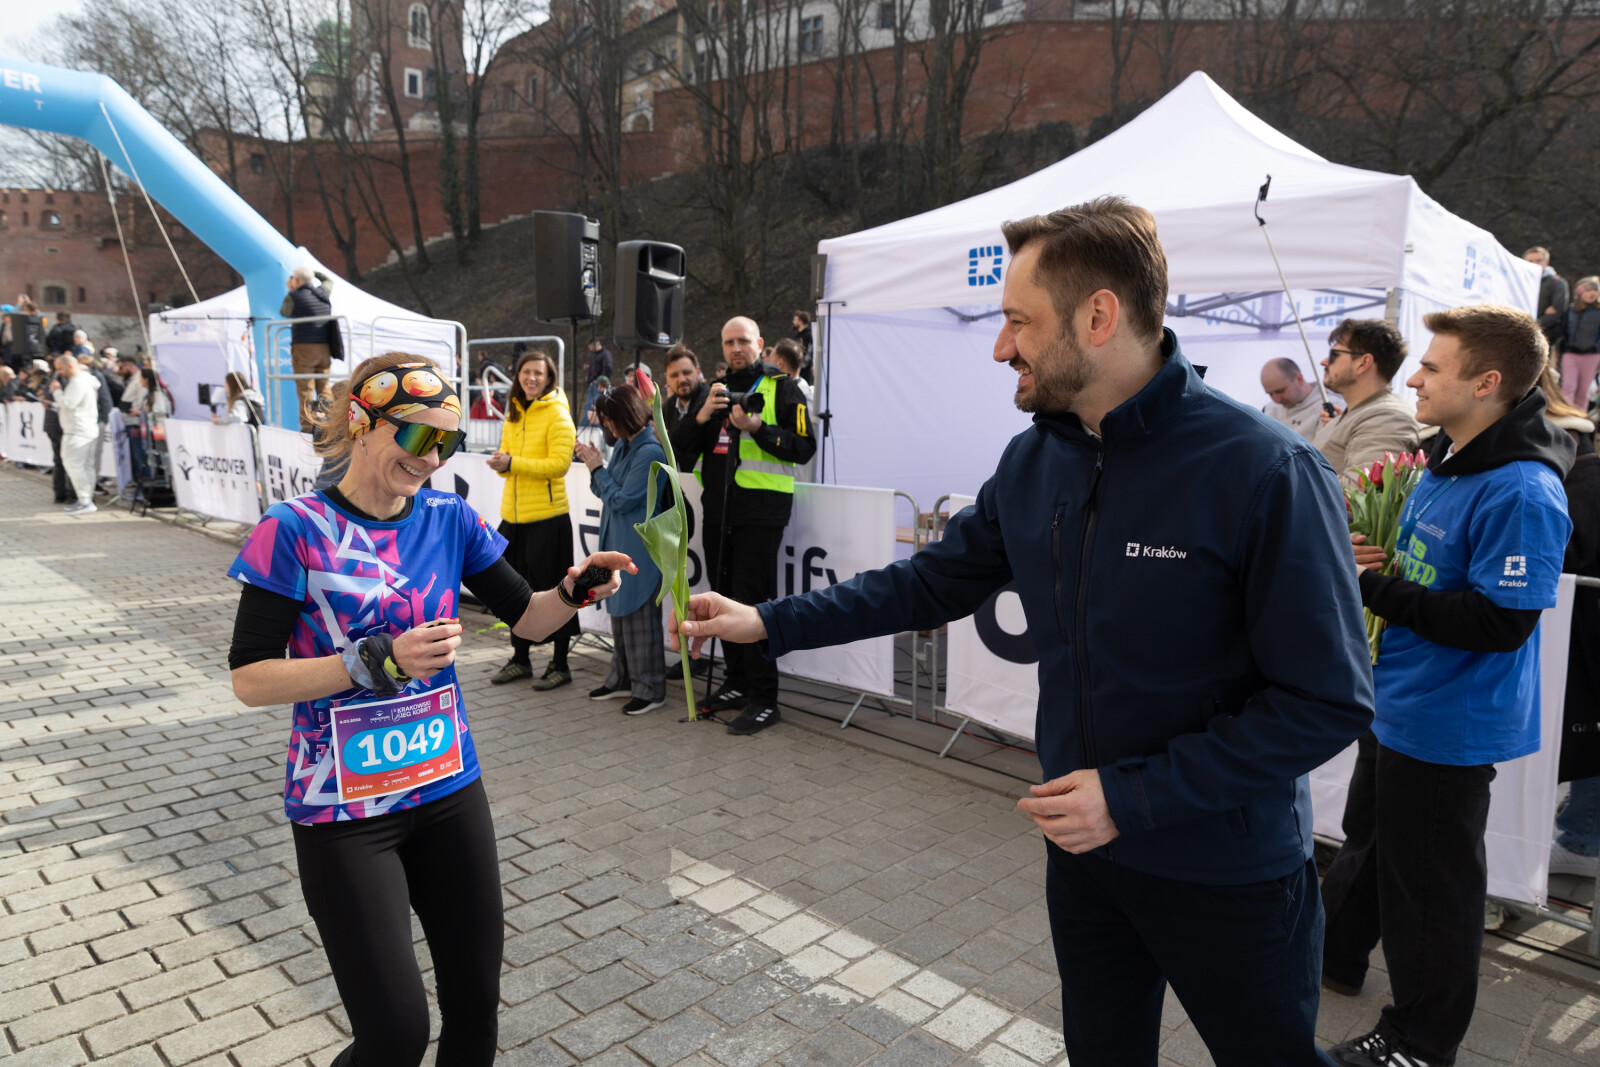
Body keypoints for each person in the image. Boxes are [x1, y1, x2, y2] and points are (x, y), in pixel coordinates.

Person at [673, 198, 1374, 1063]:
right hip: (1085, 857)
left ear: (1099, 316)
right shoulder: (1038, 457)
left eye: (1018, 320)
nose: (1001, 346)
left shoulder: (1266, 469)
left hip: (1227, 872)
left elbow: (1325, 700)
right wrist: (767, 620)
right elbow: (928, 582)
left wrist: (1131, 798)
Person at [226, 351, 631, 1067]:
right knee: (395, 1036)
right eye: (417, 436)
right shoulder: (293, 528)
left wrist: (573, 591)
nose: (432, 457)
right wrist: (371, 660)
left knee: (475, 1007)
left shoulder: (448, 518)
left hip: (447, 790)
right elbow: (250, 678)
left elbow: (529, 618)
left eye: (447, 441)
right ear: (362, 421)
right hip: (344, 812)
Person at [1322, 305, 1573, 1067]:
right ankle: (1332, 955)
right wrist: (1376, 558)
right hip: (1400, 700)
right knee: (1372, 847)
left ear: (1486, 382)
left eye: (1432, 367)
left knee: (1430, 896)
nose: (1416, 380)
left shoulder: (1522, 489)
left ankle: (1419, 1043)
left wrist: (1375, 589)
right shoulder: (1445, 454)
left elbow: (1501, 621)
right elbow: (1429, 572)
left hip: (1448, 724)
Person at [671, 316, 817, 735]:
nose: (736, 348)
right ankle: (736, 681)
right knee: (721, 600)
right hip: (719, 512)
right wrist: (701, 418)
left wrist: (758, 428)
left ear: (760, 343)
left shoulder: (782, 387)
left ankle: (765, 698)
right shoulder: (712, 392)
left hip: (762, 513)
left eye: (743, 341)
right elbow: (679, 451)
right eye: (728, 342)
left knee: (752, 604)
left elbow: (804, 447)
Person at [485, 350, 580, 690]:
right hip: (513, 518)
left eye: (539, 373)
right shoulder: (513, 412)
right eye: (526, 372)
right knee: (515, 593)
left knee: (559, 592)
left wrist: (512, 463)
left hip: (548, 519)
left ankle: (560, 664)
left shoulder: (557, 413)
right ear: (518, 376)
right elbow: (509, 464)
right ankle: (520, 659)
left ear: (549, 378)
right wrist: (502, 463)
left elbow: (559, 465)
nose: (532, 378)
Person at [1538, 369, 1600, 880]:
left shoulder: (1576, 455)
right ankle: (1583, 832)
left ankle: (1584, 838)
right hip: (1570, 619)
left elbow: (1570, 548)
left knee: (1585, 728)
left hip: (1579, 621)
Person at [576, 383, 669, 715]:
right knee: (621, 612)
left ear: (624, 416)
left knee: (639, 615)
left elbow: (622, 499)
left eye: (608, 420)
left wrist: (597, 469)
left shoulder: (649, 452)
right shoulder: (628, 446)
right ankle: (624, 679)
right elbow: (607, 489)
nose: (606, 426)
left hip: (639, 548)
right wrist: (597, 467)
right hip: (621, 542)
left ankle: (650, 689)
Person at [1312, 319, 1421, 487]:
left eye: (1335, 355)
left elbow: (1361, 492)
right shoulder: (1361, 414)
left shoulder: (1387, 418)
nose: (1324, 362)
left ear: (1363, 363)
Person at [282, 266, 335, 432]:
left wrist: (292, 290)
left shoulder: (294, 296)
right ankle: (329, 425)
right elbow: (328, 280)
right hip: (325, 347)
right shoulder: (323, 292)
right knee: (324, 387)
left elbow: (285, 312)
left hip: (303, 347)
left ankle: (307, 428)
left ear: (296, 281)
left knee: (305, 389)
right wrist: (313, 274)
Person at [51, 353, 100, 516]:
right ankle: (86, 499)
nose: (59, 373)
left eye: (60, 369)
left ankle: (85, 500)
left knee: (75, 465)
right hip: (84, 428)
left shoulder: (78, 382)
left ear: (70, 366)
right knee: (85, 466)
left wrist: (57, 392)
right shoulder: (84, 381)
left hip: (77, 430)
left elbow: (68, 403)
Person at [1550, 276, 1600, 410]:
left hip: (1591, 354)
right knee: (1568, 386)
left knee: (1584, 389)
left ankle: (1580, 416)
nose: (1592, 292)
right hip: (1570, 353)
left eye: (1594, 289)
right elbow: (1560, 330)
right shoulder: (1570, 310)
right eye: (1587, 289)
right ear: (1579, 292)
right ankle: (1567, 413)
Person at [1260, 356, 1324, 439]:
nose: (1276, 400)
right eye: (1270, 394)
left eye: (1280, 391)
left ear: (1299, 379)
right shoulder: (1268, 410)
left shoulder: (1327, 410)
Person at [1526, 246, 1570, 347]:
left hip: (1544, 337)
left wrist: (1529, 325)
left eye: (1539, 260)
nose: (1534, 263)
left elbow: (1557, 312)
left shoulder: (1557, 283)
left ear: (1546, 262)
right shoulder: (1516, 282)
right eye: (1530, 261)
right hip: (1517, 336)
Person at [662, 344, 707, 437]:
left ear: (698, 372)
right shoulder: (666, 409)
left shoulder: (710, 402)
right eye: (674, 375)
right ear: (667, 379)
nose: (682, 380)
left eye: (686, 373)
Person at [792, 309, 815, 383]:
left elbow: (809, 353)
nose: (793, 322)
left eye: (795, 320)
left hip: (804, 373)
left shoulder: (808, 335)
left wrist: (799, 367)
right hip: (796, 371)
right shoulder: (797, 336)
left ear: (800, 322)